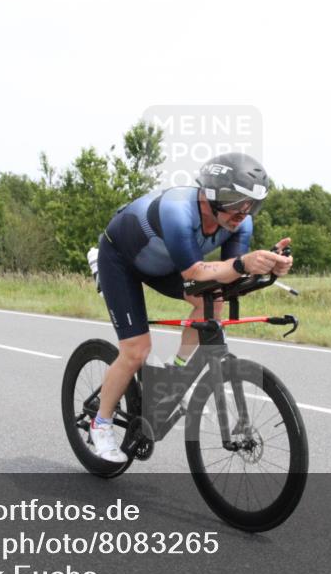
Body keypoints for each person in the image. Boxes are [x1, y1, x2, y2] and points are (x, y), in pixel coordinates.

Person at [91, 153, 293, 462]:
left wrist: (269, 266)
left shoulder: (240, 223)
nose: (243, 212)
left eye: (252, 204)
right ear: (211, 194)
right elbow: (196, 272)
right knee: (136, 351)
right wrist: (243, 263)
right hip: (121, 260)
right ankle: (101, 423)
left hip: (167, 265)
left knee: (215, 301)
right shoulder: (177, 210)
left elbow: (229, 276)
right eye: (236, 201)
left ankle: (177, 373)